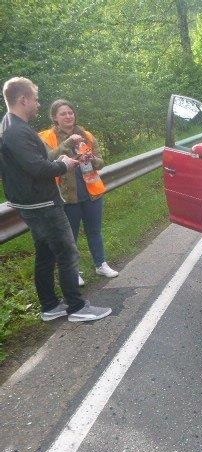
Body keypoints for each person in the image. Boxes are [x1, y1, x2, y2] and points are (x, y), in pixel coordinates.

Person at [0, 77, 111, 322]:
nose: (38, 104)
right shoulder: (17, 131)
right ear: (23, 100)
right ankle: (77, 308)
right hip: (43, 203)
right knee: (67, 253)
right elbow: (38, 168)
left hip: (31, 202)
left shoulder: (10, 126)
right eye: (36, 99)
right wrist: (63, 164)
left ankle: (50, 306)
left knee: (46, 254)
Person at [39, 99, 118, 285]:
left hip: (91, 191)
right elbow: (46, 160)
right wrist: (67, 143)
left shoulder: (86, 135)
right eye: (63, 114)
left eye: (70, 112)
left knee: (94, 231)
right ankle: (74, 271)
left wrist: (92, 159)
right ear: (55, 118)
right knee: (70, 236)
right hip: (66, 195)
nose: (68, 116)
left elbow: (100, 162)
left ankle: (101, 264)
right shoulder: (47, 137)